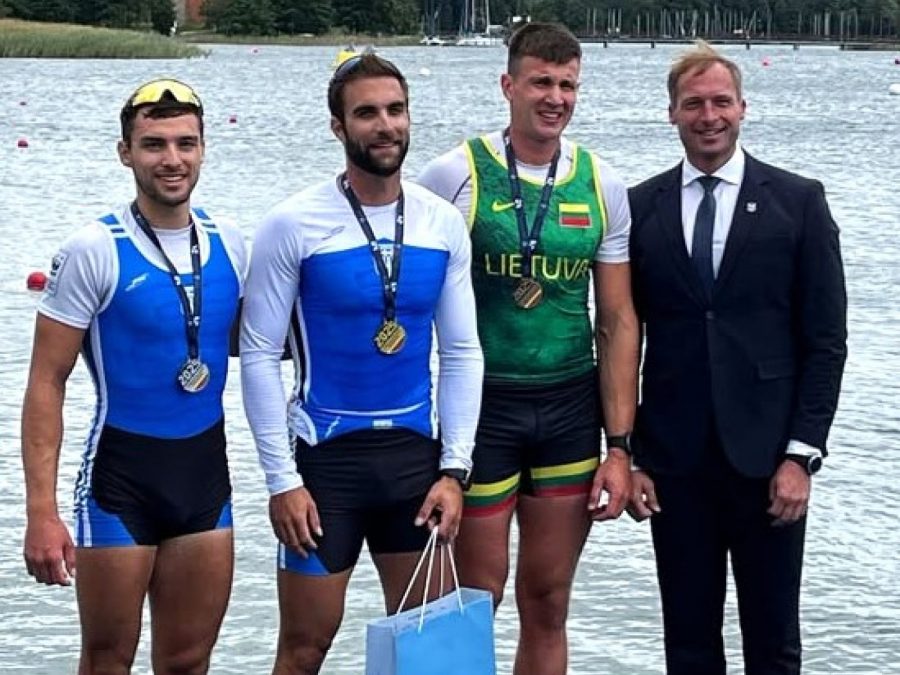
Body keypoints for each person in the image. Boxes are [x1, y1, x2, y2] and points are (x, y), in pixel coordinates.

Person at [239, 53, 483, 674]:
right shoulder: (292, 224)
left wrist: (455, 471)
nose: (384, 125)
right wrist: (280, 482)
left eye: (396, 110)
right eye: (367, 113)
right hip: (326, 467)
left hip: (416, 466)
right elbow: (260, 355)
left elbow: (461, 352)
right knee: (304, 649)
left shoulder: (441, 222)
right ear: (338, 125)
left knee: (427, 656)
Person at [417, 22, 639, 675]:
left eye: (568, 85)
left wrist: (620, 447)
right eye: (541, 82)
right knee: (475, 596)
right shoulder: (454, 174)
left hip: (569, 409)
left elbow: (617, 320)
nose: (555, 98)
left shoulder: (601, 184)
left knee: (547, 600)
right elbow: (408, 292)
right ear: (508, 85)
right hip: (485, 408)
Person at [627, 41, 847, 675]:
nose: (709, 116)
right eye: (693, 103)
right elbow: (620, 335)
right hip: (674, 463)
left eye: (721, 102)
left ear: (743, 108)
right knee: (688, 642)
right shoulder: (640, 208)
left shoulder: (798, 202)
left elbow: (826, 340)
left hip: (770, 461)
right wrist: (631, 454)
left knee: (773, 641)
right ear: (672, 113)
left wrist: (802, 454)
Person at [21, 79, 247, 674]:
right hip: (121, 481)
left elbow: (259, 345)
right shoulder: (93, 249)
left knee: (188, 661)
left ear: (203, 150)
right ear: (126, 153)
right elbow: (46, 382)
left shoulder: (231, 243)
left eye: (185, 143)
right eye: (153, 144)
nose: (172, 159)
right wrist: (41, 511)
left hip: (206, 481)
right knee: (107, 660)